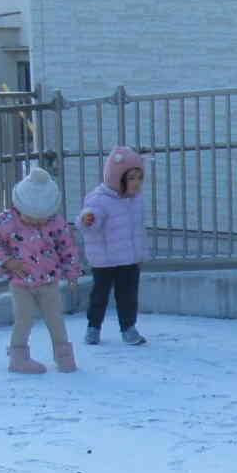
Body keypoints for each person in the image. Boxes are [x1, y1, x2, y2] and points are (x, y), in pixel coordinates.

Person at [0, 162, 83, 375]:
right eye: (31, 217)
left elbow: (67, 248)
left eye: (42, 218)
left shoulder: (56, 222)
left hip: (49, 283)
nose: (37, 222)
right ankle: (18, 358)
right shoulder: (7, 221)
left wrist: (72, 272)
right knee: (23, 320)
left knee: (56, 319)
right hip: (21, 284)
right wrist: (8, 262)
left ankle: (64, 356)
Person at [79, 145, 151, 346]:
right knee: (99, 295)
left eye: (139, 178)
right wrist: (88, 220)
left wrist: (140, 253)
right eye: (131, 178)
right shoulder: (99, 198)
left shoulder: (135, 200)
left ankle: (128, 327)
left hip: (128, 257)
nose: (136, 183)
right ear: (116, 178)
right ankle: (93, 327)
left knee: (128, 294)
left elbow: (137, 229)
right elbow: (89, 220)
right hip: (105, 259)